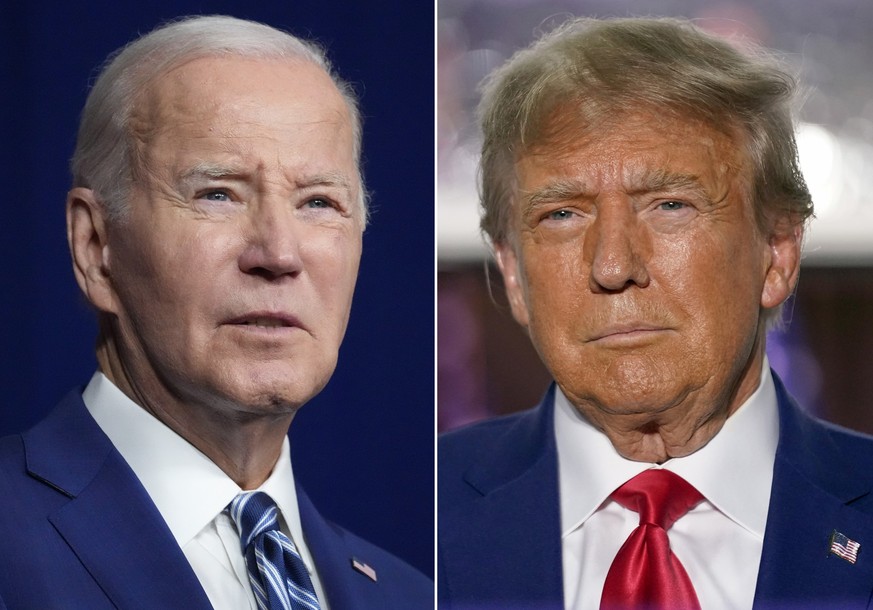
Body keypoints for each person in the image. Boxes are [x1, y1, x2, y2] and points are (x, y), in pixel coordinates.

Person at [438, 16, 873, 610]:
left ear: (777, 251)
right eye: (563, 215)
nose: (613, 266)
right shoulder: (415, 518)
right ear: (512, 272)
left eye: (670, 205)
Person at [0, 15, 431, 610]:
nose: (279, 253)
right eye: (218, 194)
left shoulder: (411, 596)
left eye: (319, 202)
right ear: (97, 248)